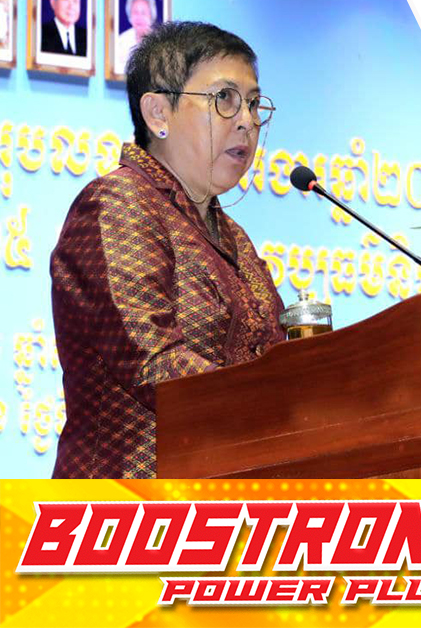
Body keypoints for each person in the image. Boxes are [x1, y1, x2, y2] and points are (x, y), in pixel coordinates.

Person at [50, 22, 284, 478]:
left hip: (228, 500)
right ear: (158, 113)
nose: (247, 121)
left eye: (254, 103)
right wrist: (279, 401)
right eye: (225, 98)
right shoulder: (117, 204)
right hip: (126, 507)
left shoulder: (233, 236)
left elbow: (274, 355)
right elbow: (155, 365)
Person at [114, 0, 158, 73]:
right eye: (135, 12)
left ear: (151, 16)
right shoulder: (121, 41)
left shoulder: (159, 40)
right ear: (130, 16)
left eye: (143, 13)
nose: (139, 17)